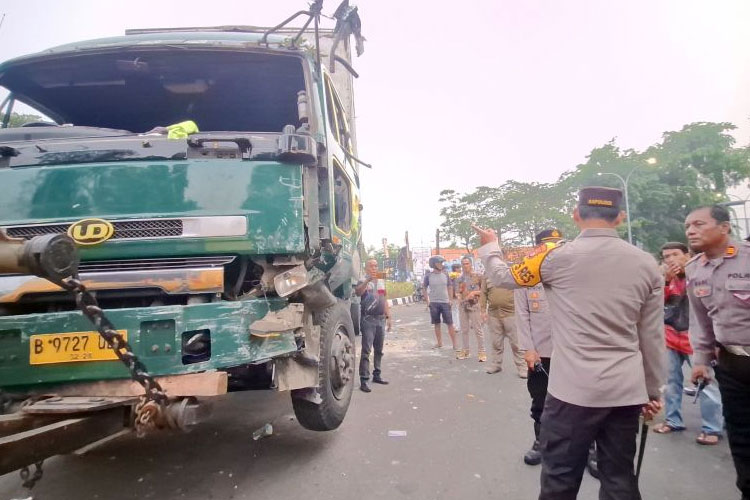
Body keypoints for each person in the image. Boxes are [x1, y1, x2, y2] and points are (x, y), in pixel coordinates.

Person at [474, 186, 664, 500]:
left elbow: (503, 277)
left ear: (576, 216)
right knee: (619, 478)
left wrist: (491, 246)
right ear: (620, 217)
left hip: (571, 392)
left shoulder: (554, 259)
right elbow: (652, 337)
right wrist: (652, 390)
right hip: (625, 391)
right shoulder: (646, 264)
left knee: (560, 478)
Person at [685, 205, 750, 499]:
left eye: (699, 224)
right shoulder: (694, 269)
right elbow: (701, 322)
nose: (690, 230)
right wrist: (701, 362)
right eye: (688, 226)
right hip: (731, 364)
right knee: (741, 436)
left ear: (724, 228)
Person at [653, 241, 723, 445]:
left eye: (675, 254)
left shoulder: (699, 274)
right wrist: (665, 281)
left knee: (706, 384)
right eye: (666, 257)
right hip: (670, 336)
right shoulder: (666, 279)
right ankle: (673, 420)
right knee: (670, 383)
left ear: (687, 255)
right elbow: (657, 304)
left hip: (696, 339)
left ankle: (712, 428)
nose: (671, 260)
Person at [354, 258, 392, 393]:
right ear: (366, 268)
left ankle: (377, 375)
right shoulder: (362, 280)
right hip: (368, 320)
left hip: (380, 319)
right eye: (371, 266)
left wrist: (389, 316)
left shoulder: (381, 282)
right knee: (366, 351)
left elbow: (384, 299)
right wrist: (367, 280)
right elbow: (358, 292)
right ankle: (364, 379)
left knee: (379, 350)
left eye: (376, 266)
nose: (374, 268)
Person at [481, 266, 525, 375]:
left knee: (516, 343)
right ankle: (496, 365)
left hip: (511, 313)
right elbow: (483, 293)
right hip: (493, 314)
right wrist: (482, 310)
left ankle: (522, 368)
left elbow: (521, 290)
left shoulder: (510, 272)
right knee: (496, 342)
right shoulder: (487, 275)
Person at [423, 255, 459, 355]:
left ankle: (454, 344)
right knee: (436, 323)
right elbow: (424, 288)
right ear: (433, 264)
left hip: (445, 302)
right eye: (439, 263)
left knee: (450, 323)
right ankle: (439, 343)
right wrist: (427, 301)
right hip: (434, 303)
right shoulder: (428, 276)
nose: (441, 265)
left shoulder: (445, 274)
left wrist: (450, 299)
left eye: (441, 263)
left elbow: (450, 286)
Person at [456, 257, 486, 361]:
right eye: (463, 264)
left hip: (474, 305)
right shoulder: (460, 279)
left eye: (467, 263)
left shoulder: (478, 277)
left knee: (478, 329)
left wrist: (474, 293)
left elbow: (484, 291)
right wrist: (459, 297)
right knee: (464, 330)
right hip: (463, 306)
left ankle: (482, 352)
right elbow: (457, 292)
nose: (465, 266)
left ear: (471, 264)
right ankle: (465, 350)